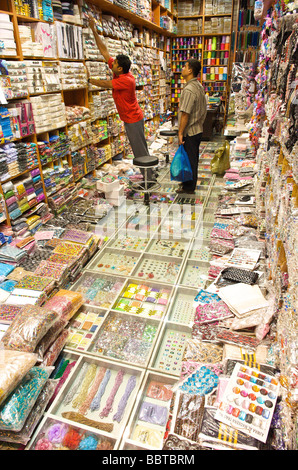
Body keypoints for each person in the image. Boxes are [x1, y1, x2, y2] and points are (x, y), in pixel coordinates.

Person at [87, 16, 155, 182]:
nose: (112, 64)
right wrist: (94, 31)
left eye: (115, 63)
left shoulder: (126, 80)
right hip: (132, 117)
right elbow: (105, 52)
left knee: (138, 148)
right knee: (141, 147)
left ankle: (149, 179)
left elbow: (105, 83)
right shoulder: (120, 71)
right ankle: (151, 173)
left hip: (132, 118)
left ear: (120, 68)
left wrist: (90, 80)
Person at [177, 58, 207, 194]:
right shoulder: (198, 86)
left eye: (184, 66)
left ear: (190, 70)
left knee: (189, 160)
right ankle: (188, 184)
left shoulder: (189, 89)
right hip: (198, 129)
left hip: (190, 130)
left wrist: (180, 132)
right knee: (192, 158)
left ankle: (189, 187)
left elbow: (185, 114)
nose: (182, 68)